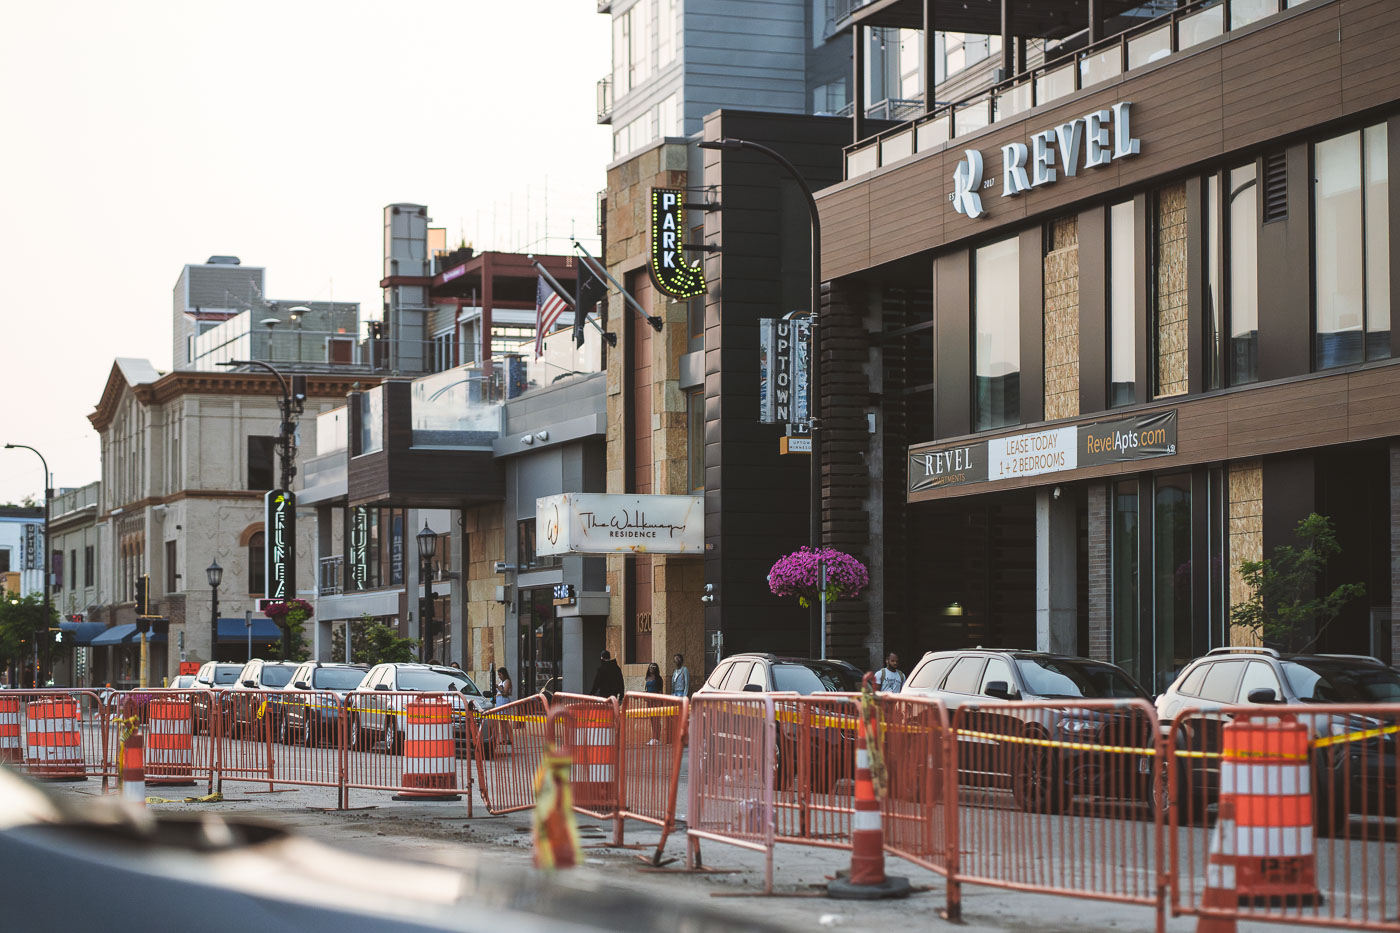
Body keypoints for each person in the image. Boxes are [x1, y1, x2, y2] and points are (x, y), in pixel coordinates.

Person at [643, 662, 665, 745]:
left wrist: (661, 701)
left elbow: (660, 690)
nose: (651, 668)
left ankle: (657, 738)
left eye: (653, 667)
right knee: (652, 719)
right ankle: (654, 737)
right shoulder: (647, 677)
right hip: (649, 700)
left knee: (657, 719)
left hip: (656, 700)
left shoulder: (658, 678)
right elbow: (647, 688)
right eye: (650, 667)